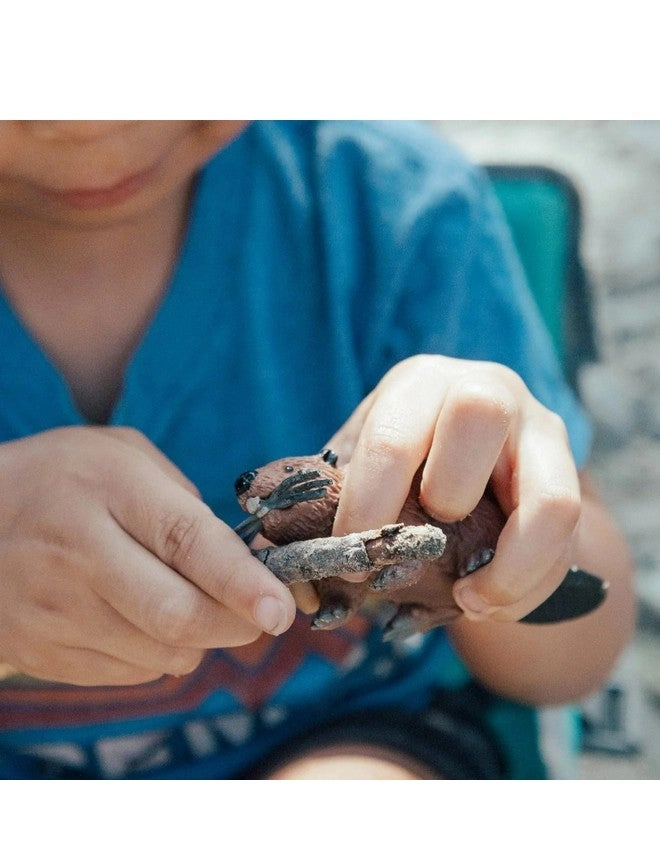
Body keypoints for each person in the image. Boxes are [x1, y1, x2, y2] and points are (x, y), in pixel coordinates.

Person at [0, 120, 635, 779]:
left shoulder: (395, 211)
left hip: (350, 732)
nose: (87, 124)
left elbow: (573, 656)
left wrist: (506, 518)